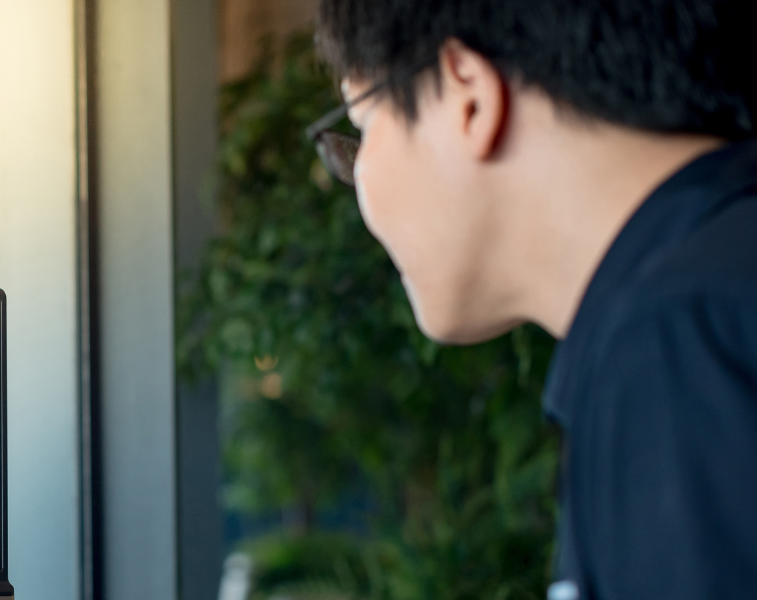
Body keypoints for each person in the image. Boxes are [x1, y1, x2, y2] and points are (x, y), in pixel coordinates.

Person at [313, 1, 757, 599]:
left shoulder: (677, 342)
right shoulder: (711, 287)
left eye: (364, 128)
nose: (358, 179)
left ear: (467, 93)